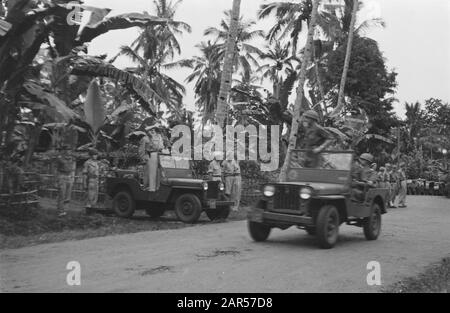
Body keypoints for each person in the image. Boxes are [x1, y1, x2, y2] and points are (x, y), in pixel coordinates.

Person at [139, 124, 165, 192]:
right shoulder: (145, 138)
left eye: (154, 130)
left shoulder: (159, 137)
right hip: (151, 155)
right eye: (151, 130)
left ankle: (157, 188)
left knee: (159, 173)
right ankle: (150, 188)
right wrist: (143, 158)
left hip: (159, 155)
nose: (153, 131)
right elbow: (141, 150)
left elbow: (162, 147)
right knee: (150, 173)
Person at [54, 146, 76, 217]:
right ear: (64, 150)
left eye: (70, 150)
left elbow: (73, 169)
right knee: (62, 195)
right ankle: (60, 211)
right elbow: (56, 169)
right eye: (67, 150)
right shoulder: (60, 158)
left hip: (69, 176)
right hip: (62, 176)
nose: (69, 151)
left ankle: (65, 211)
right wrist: (56, 180)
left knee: (68, 196)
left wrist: (72, 178)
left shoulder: (72, 158)